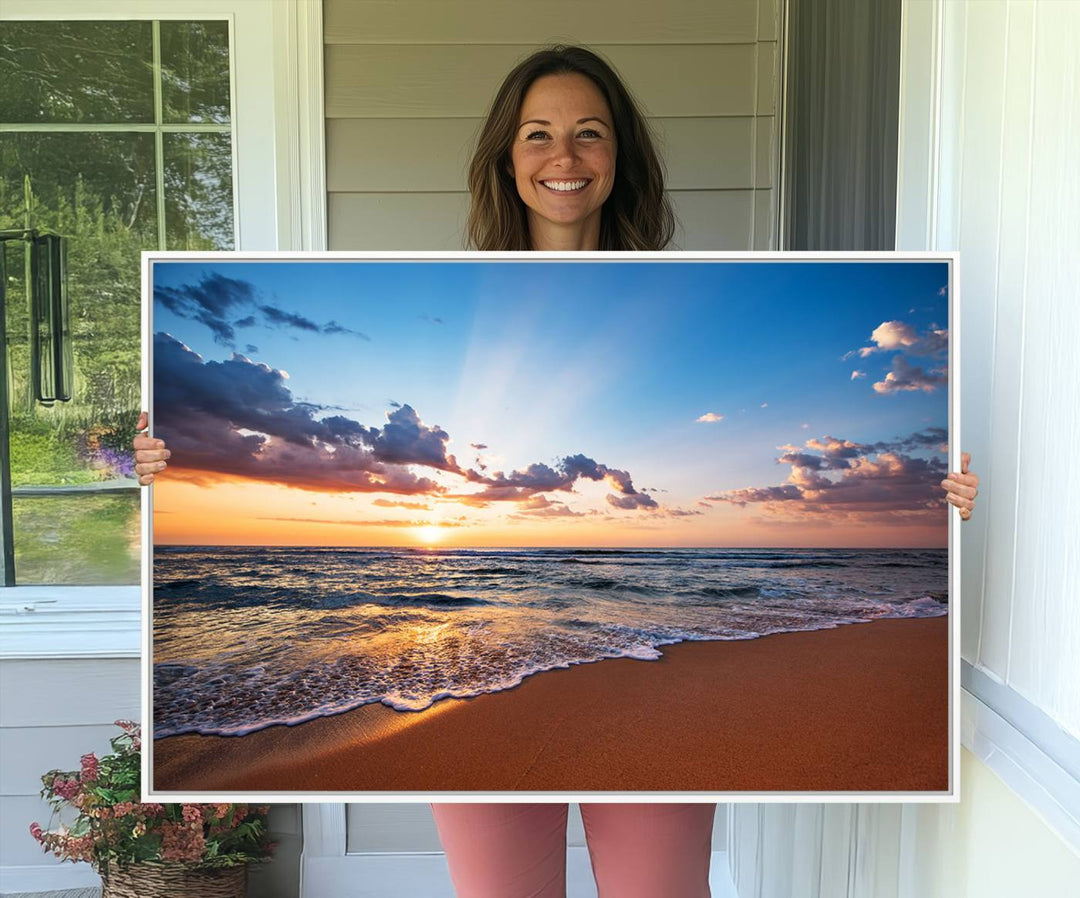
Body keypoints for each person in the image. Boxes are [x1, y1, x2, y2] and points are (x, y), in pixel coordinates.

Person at [134, 44, 978, 898]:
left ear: (620, 158)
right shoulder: (450, 299)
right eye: (538, 134)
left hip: (649, 683)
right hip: (495, 656)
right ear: (507, 157)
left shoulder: (686, 291)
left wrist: (947, 493)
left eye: (589, 134)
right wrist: (159, 461)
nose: (563, 158)